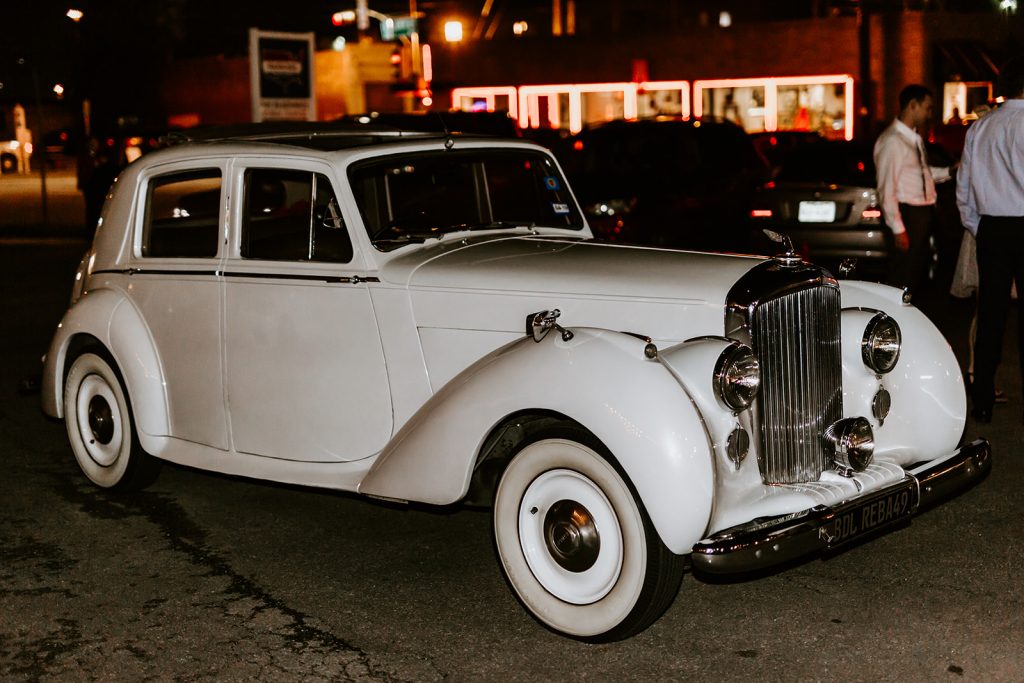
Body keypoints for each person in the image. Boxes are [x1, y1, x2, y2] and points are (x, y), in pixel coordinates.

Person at [956, 55, 1024, 423]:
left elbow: (964, 187)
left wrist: (976, 224)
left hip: (992, 227)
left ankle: (981, 397)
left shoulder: (980, 127)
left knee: (991, 316)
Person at [873, 84, 952, 292]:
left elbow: (921, 174)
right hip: (908, 214)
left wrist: (950, 172)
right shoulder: (892, 141)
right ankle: (893, 321)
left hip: (919, 213)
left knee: (914, 274)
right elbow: (886, 188)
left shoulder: (912, 139)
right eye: (928, 108)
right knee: (903, 275)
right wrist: (898, 229)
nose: (930, 114)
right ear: (913, 106)